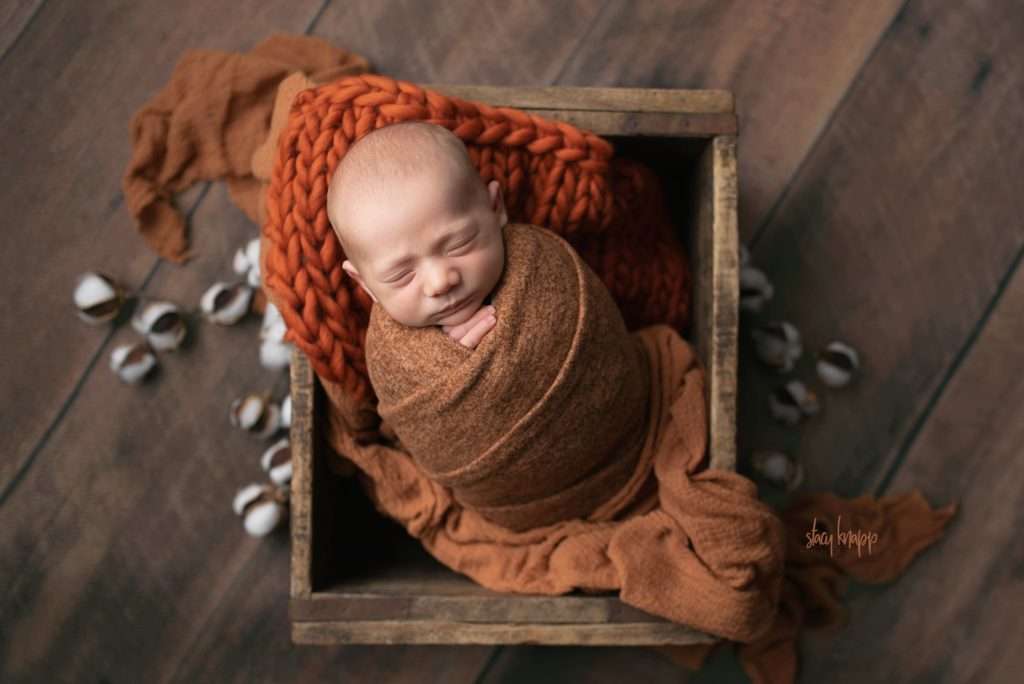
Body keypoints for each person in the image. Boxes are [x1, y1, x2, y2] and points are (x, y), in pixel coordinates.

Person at [326, 121, 507, 349]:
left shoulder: (537, 261)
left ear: (496, 208)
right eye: (401, 275)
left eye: (459, 245)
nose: (439, 282)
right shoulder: (389, 348)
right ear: (365, 283)